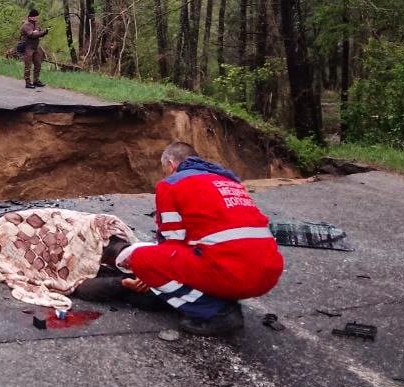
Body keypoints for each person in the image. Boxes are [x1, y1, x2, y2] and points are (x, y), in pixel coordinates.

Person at [92, 141, 284, 336]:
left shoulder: (171, 184)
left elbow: (171, 241)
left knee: (142, 259)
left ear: (171, 164)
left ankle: (215, 312)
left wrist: (150, 275)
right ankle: (216, 297)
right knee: (195, 253)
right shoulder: (228, 181)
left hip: (233, 273)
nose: (164, 174)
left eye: (164, 169)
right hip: (269, 272)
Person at [20, 8, 48, 89]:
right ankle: (28, 83)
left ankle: (36, 81)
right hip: (28, 47)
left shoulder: (36, 25)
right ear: (30, 17)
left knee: (38, 65)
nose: (37, 18)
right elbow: (31, 35)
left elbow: (38, 33)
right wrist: (38, 32)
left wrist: (44, 32)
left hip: (36, 47)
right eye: (35, 16)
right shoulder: (26, 25)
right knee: (28, 66)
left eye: (37, 16)